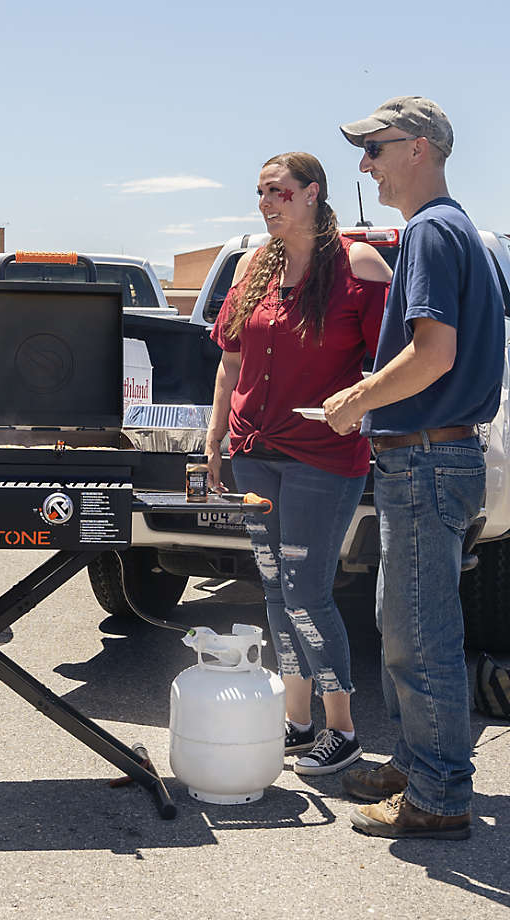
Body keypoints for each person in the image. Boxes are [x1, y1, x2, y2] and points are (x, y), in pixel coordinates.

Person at [326, 97, 504, 839]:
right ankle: (417, 761)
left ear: (421, 148)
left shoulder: (431, 230)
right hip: (437, 458)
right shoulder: (452, 229)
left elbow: (433, 353)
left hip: (428, 461)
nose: (364, 164)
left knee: (419, 632)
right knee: (403, 622)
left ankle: (437, 796)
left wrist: (356, 399)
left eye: (376, 146)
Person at [205, 152, 391, 776]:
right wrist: (213, 437)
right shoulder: (257, 265)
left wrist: (360, 405)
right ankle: (297, 720)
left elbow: (397, 360)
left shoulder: (358, 266)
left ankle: (342, 728)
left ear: (313, 193)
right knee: (275, 588)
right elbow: (231, 360)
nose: (267, 203)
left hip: (322, 457)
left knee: (309, 590)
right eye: (261, 192)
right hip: (255, 453)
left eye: (279, 192)